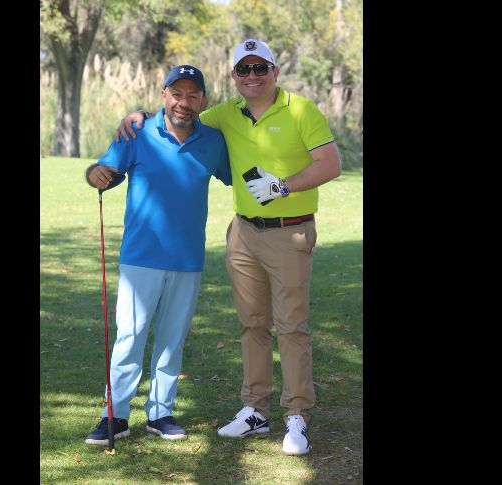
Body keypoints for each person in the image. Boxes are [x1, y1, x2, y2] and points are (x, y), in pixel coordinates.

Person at [114, 39, 342, 456]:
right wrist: (140, 116)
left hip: (289, 232)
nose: (252, 76)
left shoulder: (301, 110)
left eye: (260, 68)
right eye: (243, 70)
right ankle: (254, 409)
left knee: (292, 325)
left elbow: (331, 164)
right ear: (234, 76)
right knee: (252, 323)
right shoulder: (225, 113)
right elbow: (182, 114)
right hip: (243, 233)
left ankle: (296, 415)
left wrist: (285, 186)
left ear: (274, 71)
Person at [83, 65, 232, 446]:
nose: (184, 102)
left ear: (203, 100)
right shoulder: (137, 131)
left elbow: (237, 176)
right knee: (130, 337)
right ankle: (114, 416)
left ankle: (160, 412)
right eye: (177, 93)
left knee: (172, 338)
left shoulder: (214, 141)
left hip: (188, 259)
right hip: (140, 257)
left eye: (193, 95)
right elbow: (103, 170)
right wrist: (96, 173)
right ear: (163, 94)